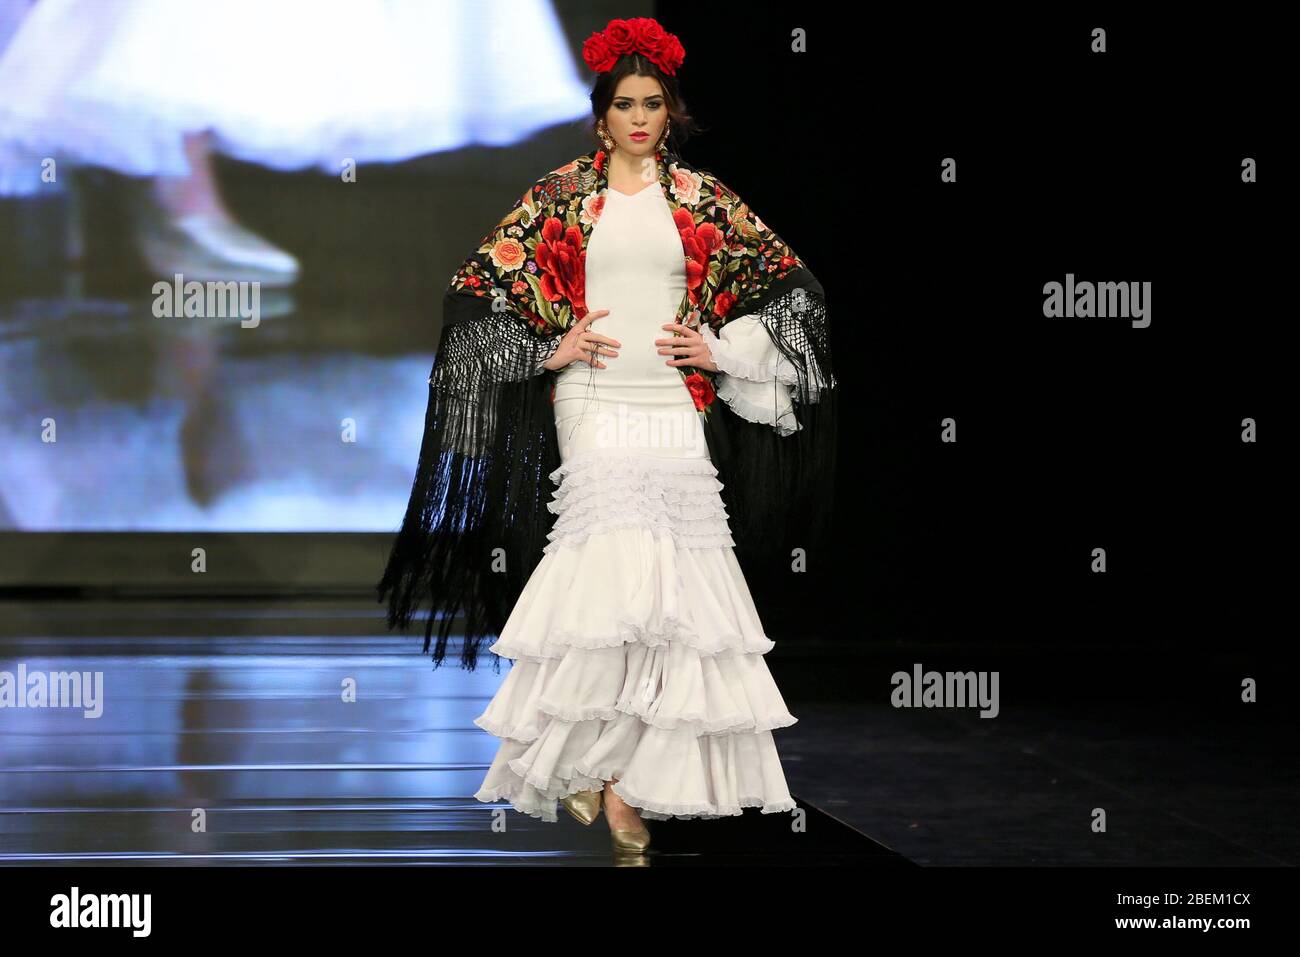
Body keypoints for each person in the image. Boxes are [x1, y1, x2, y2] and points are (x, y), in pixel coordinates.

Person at [377, 17, 837, 854]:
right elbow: (475, 289)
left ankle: (622, 777)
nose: (636, 117)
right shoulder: (558, 196)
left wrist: (720, 348)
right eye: (623, 104)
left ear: (670, 114)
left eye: (651, 103)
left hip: (670, 397)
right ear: (601, 117)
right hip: (591, 396)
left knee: (673, 598)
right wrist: (547, 347)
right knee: (610, 577)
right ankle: (595, 764)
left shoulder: (703, 199)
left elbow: (792, 288)